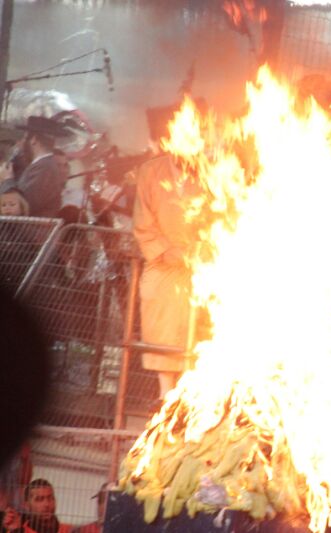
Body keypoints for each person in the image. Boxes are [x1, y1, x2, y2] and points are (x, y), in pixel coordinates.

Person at [133, 104, 200, 398]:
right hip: (161, 265)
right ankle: (164, 397)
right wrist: (166, 251)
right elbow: (142, 221)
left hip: (200, 267)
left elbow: (223, 217)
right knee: (160, 325)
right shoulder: (150, 172)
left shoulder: (214, 173)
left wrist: (199, 253)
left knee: (195, 330)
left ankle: (188, 397)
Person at [0, 117, 69, 218]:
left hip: (33, 232)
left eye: (25, 137)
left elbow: (23, 206)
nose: (22, 142)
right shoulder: (41, 165)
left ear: (33, 140)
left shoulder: (44, 168)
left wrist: (7, 180)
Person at [2, 479, 71, 533]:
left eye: (50, 498)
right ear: (27, 504)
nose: (47, 504)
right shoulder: (17, 530)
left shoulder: (70, 530)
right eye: (39, 499)